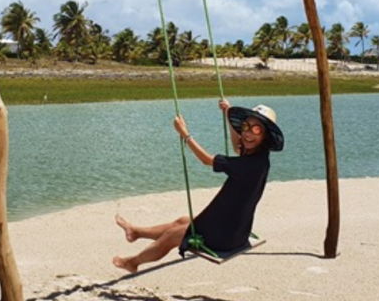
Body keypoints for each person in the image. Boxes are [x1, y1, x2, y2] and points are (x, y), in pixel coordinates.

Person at [112, 98, 284, 274]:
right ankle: (136, 232)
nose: (248, 133)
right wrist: (227, 114)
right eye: (246, 126)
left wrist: (184, 134)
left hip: (225, 236)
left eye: (256, 129)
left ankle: (133, 262)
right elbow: (238, 146)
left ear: (265, 136)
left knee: (174, 235)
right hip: (235, 229)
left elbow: (206, 160)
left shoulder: (249, 166)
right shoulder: (258, 156)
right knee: (182, 222)